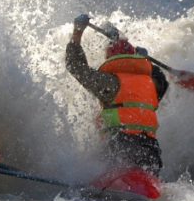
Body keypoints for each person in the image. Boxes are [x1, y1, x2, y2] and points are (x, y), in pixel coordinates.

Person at [65, 14, 169, 175]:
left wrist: (77, 32)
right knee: (146, 174)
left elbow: (76, 67)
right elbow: (161, 78)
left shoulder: (110, 83)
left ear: (110, 58)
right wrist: (146, 60)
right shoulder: (152, 84)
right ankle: (146, 187)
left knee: (89, 166)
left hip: (119, 145)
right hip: (150, 150)